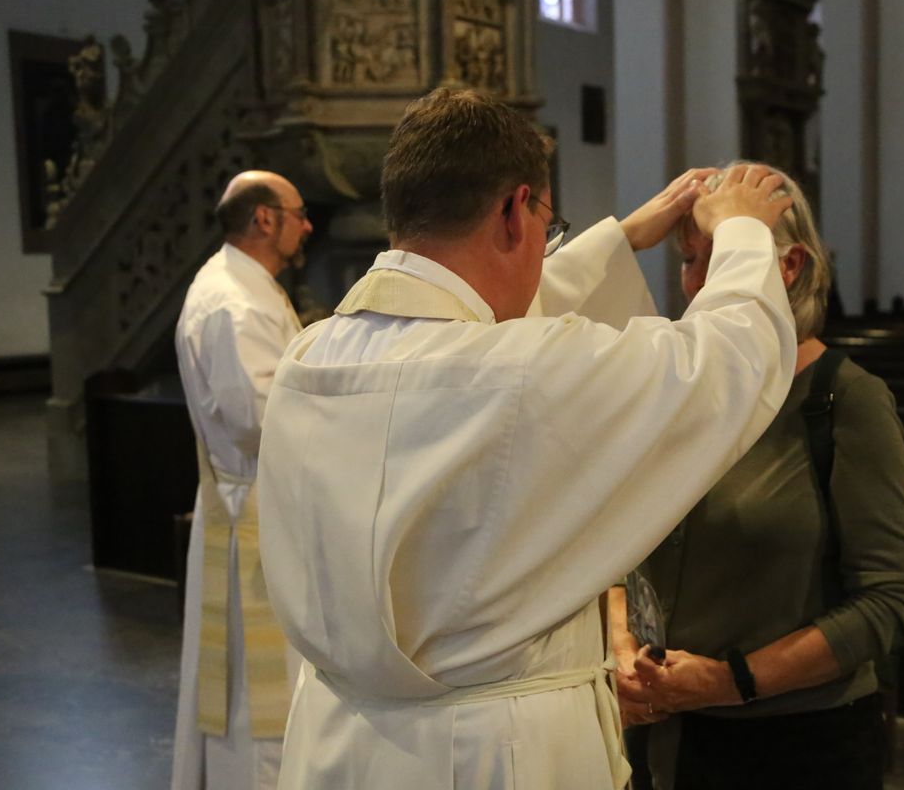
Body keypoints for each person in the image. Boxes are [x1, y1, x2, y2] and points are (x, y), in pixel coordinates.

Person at [256, 88, 799, 790]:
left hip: (338, 739)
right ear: (516, 211)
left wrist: (617, 239)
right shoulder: (519, 374)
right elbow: (729, 360)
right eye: (549, 227)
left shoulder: (310, 359)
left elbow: (473, 325)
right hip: (495, 754)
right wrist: (741, 230)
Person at [610, 164, 904, 789]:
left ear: (788, 266)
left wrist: (730, 680)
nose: (696, 284)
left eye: (720, 256)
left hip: (794, 747)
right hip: (659, 734)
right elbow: (618, 553)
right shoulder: (678, 388)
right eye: (688, 261)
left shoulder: (844, 399)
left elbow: (892, 601)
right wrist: (622, 647)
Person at [171, 170, 312, 789]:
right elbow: (259, 420)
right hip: (252, 516)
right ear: (264, 219)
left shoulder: (248, 287)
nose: (308, 226)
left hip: (259, 505)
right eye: (299, 213)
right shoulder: (234, 302)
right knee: (257, 701)